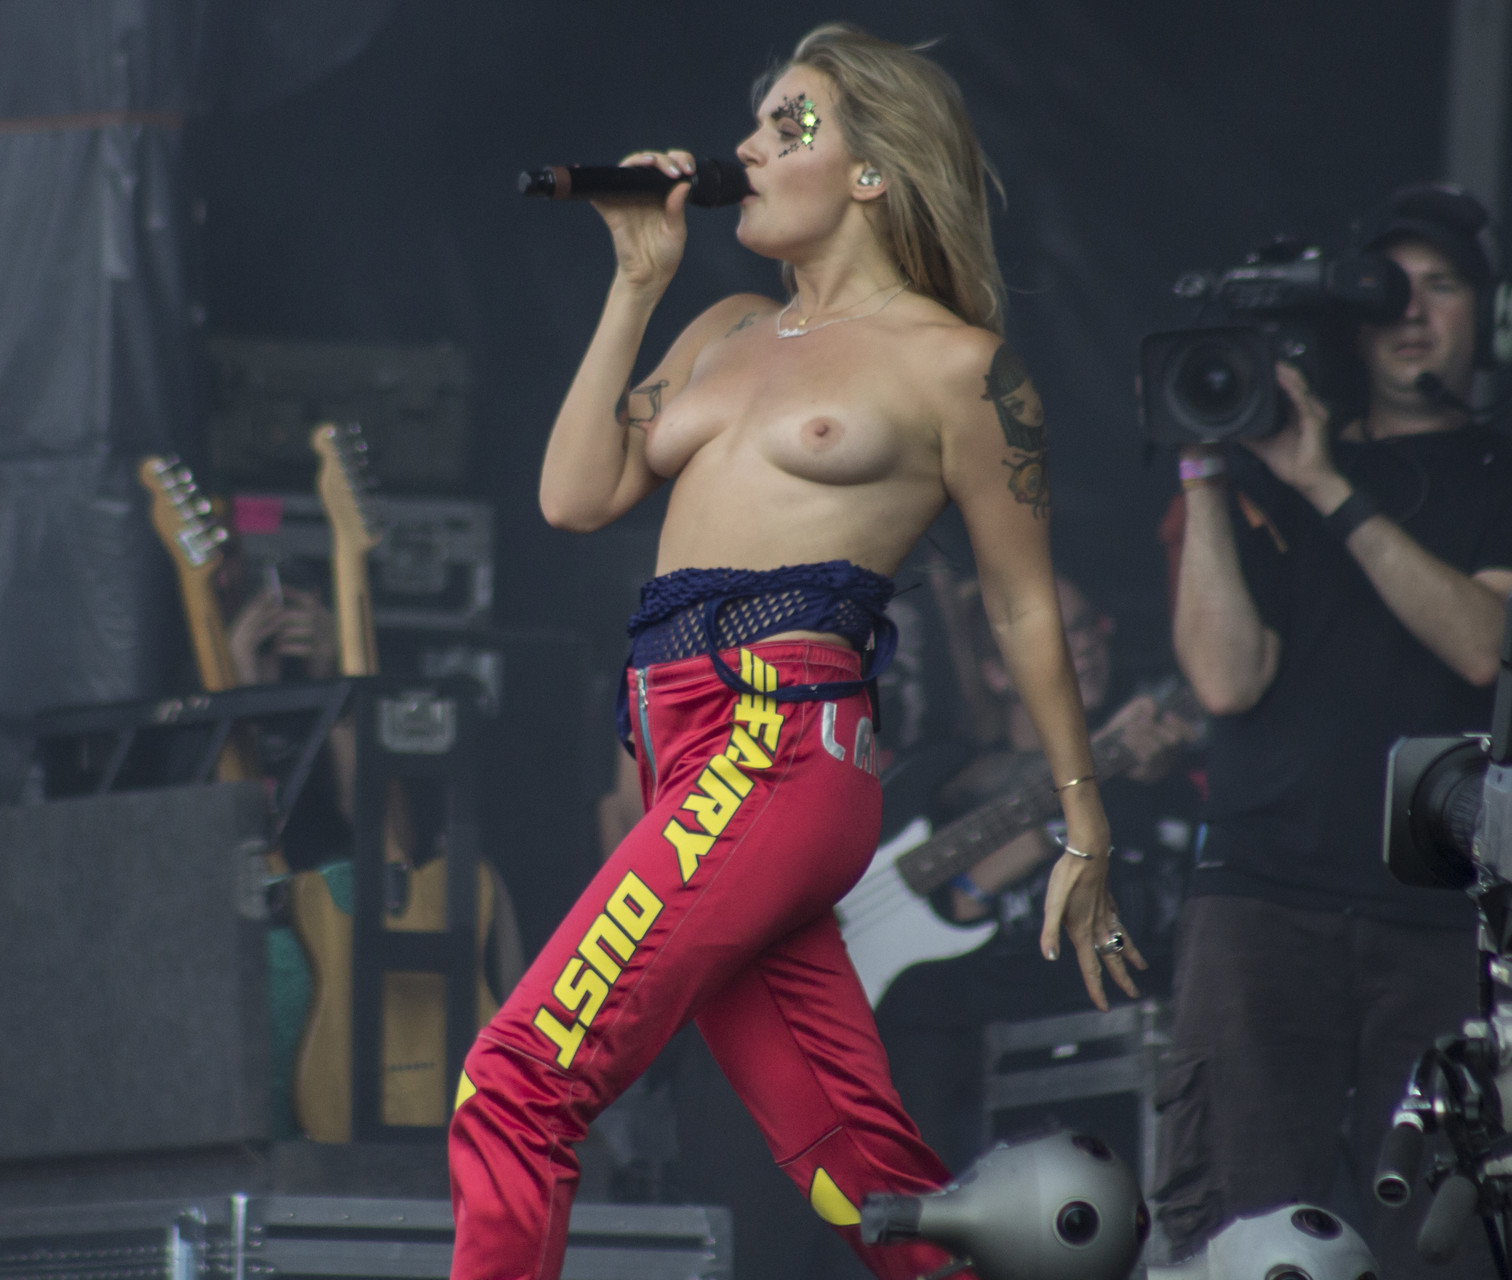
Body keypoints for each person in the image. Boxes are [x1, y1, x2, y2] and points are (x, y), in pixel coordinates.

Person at [448, 25, 1140, 1280]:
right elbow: (574, 493)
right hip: (683, 760)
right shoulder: (724, 326)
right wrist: (636, 281)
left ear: (871, 170)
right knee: (859, 1166)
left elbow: (1023, 608)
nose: (749, 148)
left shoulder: (957, 366)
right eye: (755, 122)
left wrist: (1084, 826)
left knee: (518, 1076)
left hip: (776, 740)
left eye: (789, 125)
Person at [1161, 183, 1512, 1277]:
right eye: (1387, 290)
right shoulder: (1265, 461)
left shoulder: (1496, 467)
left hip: (1439, 917)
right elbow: (1225, 678)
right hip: (1261, 897)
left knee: (1441, 1238)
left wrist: (1327, 485)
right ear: (1352, 321)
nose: (1411, 311)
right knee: (1243, 1233)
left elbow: (1482, 643)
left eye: (1441, 287)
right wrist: (1207, 466)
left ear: (1485, 313)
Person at [872, 576, 1200, 1172]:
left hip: (1128, 994)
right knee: (918, 1004)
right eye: (1059, 636)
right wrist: (1040, 833)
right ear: (997, 674)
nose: (1085, 645)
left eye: (1088, 626)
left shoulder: (1154, 763)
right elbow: (958, 903)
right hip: (1003, 1004)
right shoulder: (953, 779)